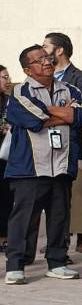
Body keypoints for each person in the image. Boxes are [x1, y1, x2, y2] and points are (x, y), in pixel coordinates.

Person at [4, 45, 82, 284]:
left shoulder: (70, 88)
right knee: (24, 218)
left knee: (59, 217)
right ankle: (15, 266)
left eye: (47, 57)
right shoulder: (20, 91)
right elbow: (33, 119)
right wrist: (65, 114)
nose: (46, 62)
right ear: (27, 69)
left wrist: (57, 114)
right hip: (30, 167)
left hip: (62, 165)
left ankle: (57, 262)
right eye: (39, 60)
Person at [43, 32, 82, 253]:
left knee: (71, 195)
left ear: (59, 50)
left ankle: (71, 242)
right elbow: (37, 109)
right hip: (46, 145)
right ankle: (56, 242)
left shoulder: (81, 78)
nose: (42, 51)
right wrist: (61, 111)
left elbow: (80, 111)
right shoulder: (42, 76)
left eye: (46, 46)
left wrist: (53, 113)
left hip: (72, 143)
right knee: (52, 197)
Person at [0, 65, 12, 253]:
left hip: (5, 155)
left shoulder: (10, 101)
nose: (8, 80)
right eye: (4, 77)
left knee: (5, 197)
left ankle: (3, 238)